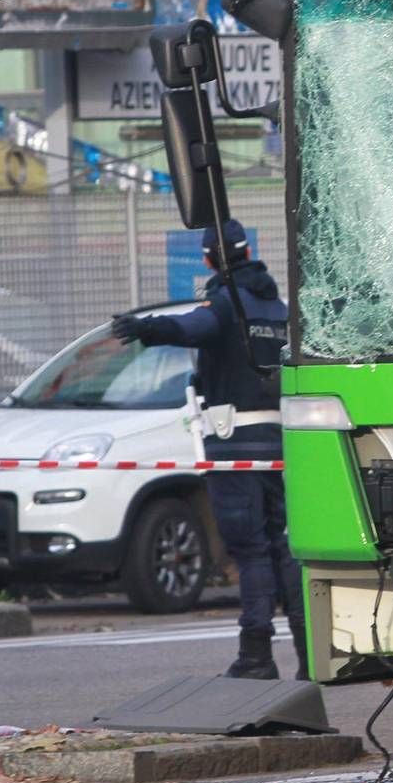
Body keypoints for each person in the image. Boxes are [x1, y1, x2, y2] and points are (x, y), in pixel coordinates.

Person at [112, 221, 301, 680]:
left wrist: (145, 328)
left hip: (234, 445)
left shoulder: (225, 303)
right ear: (249, 250)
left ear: (207, 259)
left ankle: (256, 656)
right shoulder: (277, 308)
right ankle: (311, 657)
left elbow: (193, 327)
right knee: (286, 549)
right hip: (281, 447)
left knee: (252, 552)